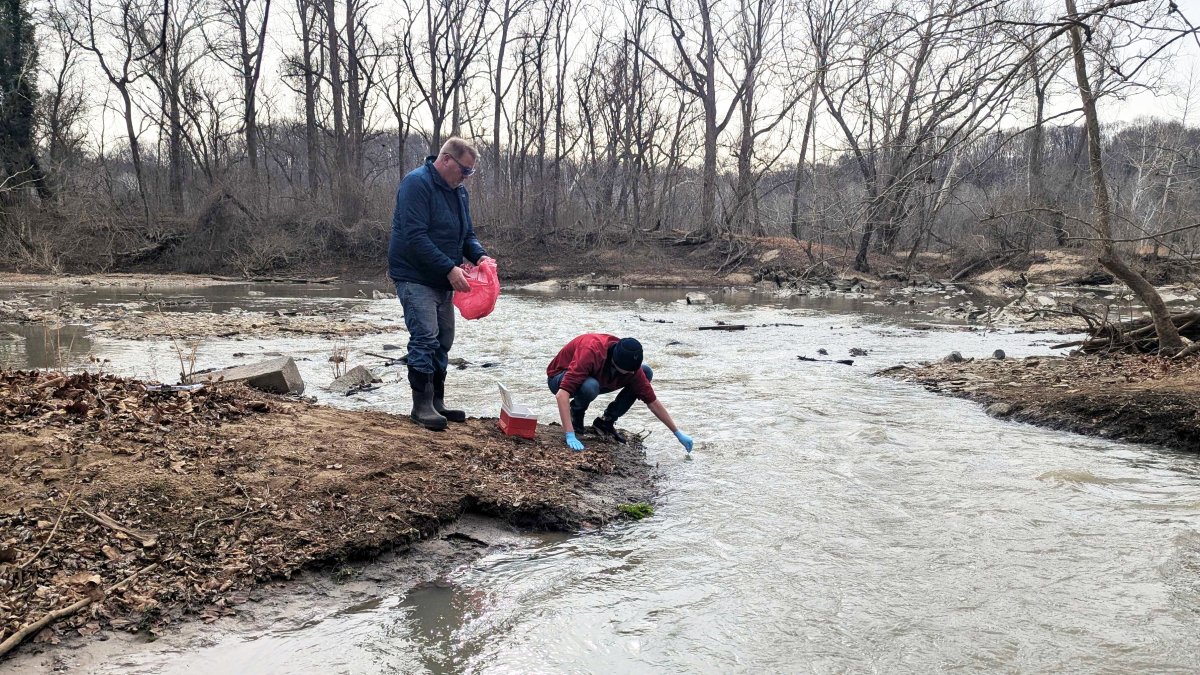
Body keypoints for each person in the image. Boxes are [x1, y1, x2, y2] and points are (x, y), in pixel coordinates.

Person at [388, 137, 490, 430]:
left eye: (471, 172)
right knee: (425, 337)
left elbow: (466, 235)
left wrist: (480, 257)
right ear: (446, 160)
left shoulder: (459, 193)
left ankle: (437, 402)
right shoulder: (416, 184)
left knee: (443, 340)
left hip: (444, 278)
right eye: (465, 170)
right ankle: (421, 407)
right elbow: (415, 236)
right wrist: (449, 267)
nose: (466, 177)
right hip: (415, 275)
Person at [546, 334, 694, 453]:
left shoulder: (631, 367)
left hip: (598, 377)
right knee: (590, 386)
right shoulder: (591, 351)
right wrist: (569, 434)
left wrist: (677, 432)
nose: (631, 373)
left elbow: (652, 402)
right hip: (558, 378)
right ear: (615, 362)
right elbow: (561, 394)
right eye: (628, 371)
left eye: (633, 371)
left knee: (645, 372)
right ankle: (576, 416)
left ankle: (606, 421)